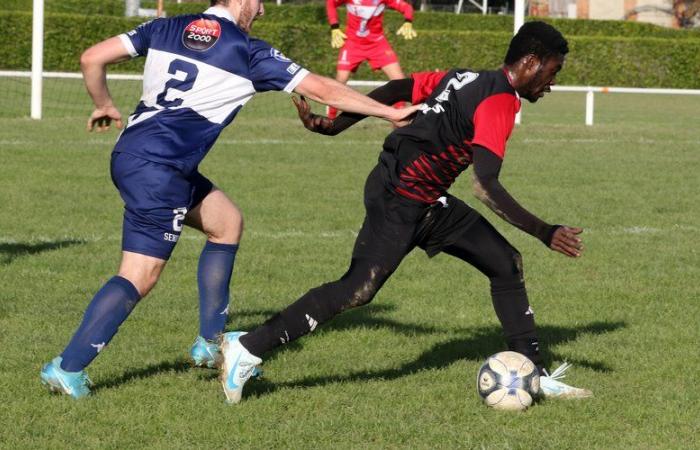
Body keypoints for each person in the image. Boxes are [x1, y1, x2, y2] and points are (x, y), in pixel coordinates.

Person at [39, 0, 419, 399]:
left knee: (226, 222)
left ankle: (209, 341)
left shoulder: (166, 27)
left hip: (134, 155)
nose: (262, 12)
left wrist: (103, 103)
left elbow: (91, 58)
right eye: (258, 4)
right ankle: (69, 367)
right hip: (161, 171)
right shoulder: (247, 51)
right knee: (139, 274)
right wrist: (387, 113)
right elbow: (322, 88)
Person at [219, 21, 593, 404]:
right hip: (400, 197)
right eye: (553, 71)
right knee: (358, 289)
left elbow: (400, 88)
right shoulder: (498, 101)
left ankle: (533, 371)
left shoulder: (465, 77)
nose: (552, 82)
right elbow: (485, 186)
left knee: (505, 262)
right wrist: (545, 231)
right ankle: (247, 349)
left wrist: (336, 126)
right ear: (531, 62)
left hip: (423, 198)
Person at [326, 0, 417, 119]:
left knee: (400, 81)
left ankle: (400, 122)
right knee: (340, 82)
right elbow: (330, 2)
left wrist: (408, 21)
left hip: (377, 44)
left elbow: (407, 8)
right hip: (353, 44)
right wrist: (334, 26)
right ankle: (330, 119)